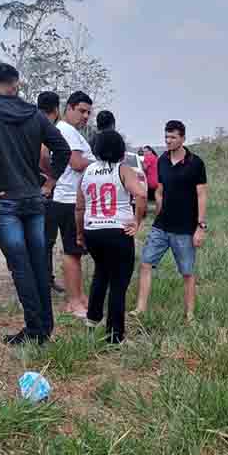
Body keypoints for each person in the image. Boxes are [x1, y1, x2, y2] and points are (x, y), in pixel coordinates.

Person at [0, 63, 69, 345]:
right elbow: (62, 148)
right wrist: (50, 182)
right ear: (15, 84)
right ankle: (44, 327)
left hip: (4, 200)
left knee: (20, 266)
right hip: (34, 199)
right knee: (37, 264)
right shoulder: (34, 114)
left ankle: (35, 330)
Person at [75, 129, 147, 344]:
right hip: (117, 231)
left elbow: (79, 206)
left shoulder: (86, 172)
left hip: (93, 230)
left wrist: (80, 234)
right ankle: (115, 337)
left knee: (100, 274)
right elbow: (142, 194)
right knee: (118, 284)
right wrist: (137, 222)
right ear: (119, 149)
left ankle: (92, 321)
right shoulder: (123, 169)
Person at [135, 120, 208, 322]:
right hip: (161, 226)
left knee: (187, 272)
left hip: (185, 228)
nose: (168, 141)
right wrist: (159, 207)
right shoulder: (162, 161)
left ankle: (190, 314)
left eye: (173, 137)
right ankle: (140, 309)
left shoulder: (196, 163)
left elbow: (202, 195)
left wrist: (201, 226)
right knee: (146, 263)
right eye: (166, 137)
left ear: (183, 138)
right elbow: (159, 190)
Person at [50, 91, 94, 318]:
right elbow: (76, 163)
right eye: (81, 111)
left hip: (70, 198)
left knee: (75, 251)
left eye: (88, 112)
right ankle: (73, 301)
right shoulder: (66, 131)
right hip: (68, 200)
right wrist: (99, 163)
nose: (85, 116)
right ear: (69, 108)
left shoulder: (72, 132)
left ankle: (79, 296)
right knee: (72, 251)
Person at [36, 91, 64, 294]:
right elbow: (44, 153)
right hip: (45, 191)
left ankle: (43, 277)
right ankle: (45, 279)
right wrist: (50, 177)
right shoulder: (46, 129)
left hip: (29, 188)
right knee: (46, 239)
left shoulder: (29, 124)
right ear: (56, 109)